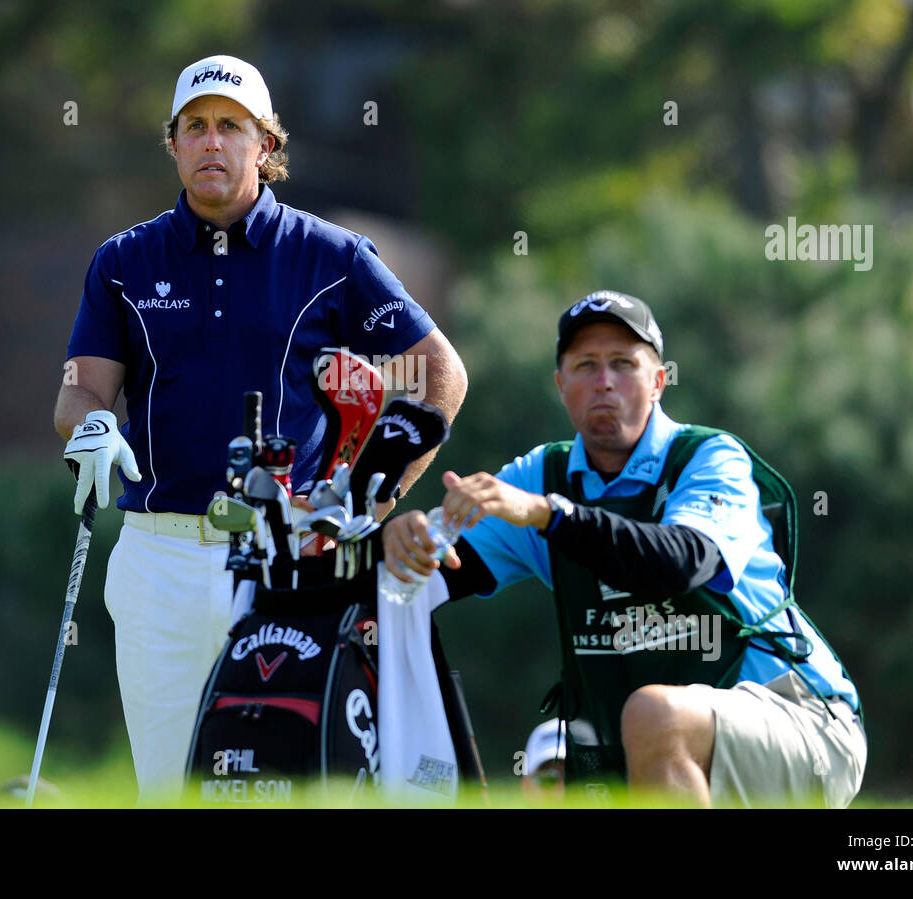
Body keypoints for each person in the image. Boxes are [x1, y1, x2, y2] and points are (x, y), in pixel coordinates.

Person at [53, 54, 468, 799]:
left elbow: (439, 372)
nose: (212, 142)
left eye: (232, 128)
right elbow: (82, 389)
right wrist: (88, 431)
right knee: (169, 788)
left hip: (288, 563)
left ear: (265, 146)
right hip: (160, 560)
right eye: (196, 127)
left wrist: (371, 499)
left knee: (292, 779)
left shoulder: (330, 255)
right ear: (174, 144)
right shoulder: (123, 261)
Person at [383, 290, 865, 808]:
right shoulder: (541, 476)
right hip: (659, 748)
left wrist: (550, 515)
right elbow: (439, 571)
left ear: (658, 381)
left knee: (653, 716)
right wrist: (403, 541)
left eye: (623, 363)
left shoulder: (707, 457)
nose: (604, 381)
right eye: (585, 364)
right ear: (560, 385)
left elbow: (680, 562)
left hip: (801, 717)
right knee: (647, 724)